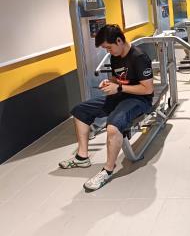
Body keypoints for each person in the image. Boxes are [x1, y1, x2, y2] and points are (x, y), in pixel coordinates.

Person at [58, 24, 154, 192]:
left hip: (140, 100)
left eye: (109, 47)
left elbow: (148, 89)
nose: (108, 51)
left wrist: (119, 88)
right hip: (121, 95)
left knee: (113, 126)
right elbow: (118, 79)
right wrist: (110, 83)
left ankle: (108, 170)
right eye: (105, 49)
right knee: (79, 111)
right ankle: (82, 157)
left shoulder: (139, 57)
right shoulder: (115, 56)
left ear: (119, 40)